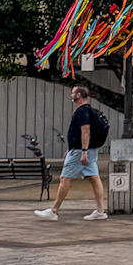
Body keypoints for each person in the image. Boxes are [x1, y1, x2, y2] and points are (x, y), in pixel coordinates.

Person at [34, 85, 108, 221]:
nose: (71, 96)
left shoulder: (81, 112)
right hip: (89, 149)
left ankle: (54, 211)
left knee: (64, 178)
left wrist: (82, 151)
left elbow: (85, 132)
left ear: (78, 95)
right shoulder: (91, 111)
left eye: (73, 93)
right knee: (94, 178)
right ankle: (100, 211)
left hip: (80, 151)